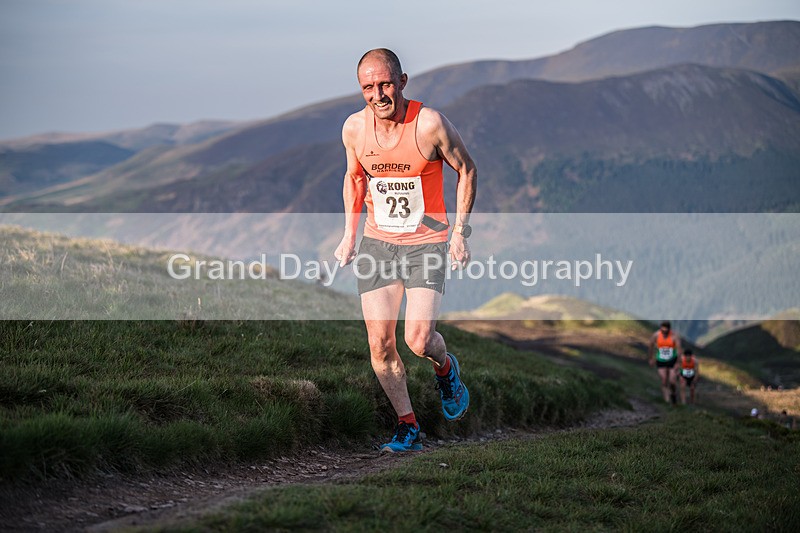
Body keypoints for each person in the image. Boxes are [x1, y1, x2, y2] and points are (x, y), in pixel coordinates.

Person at [334, 49, 477, 452]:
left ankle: (446, 370)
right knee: (379, 344)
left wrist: (461, 232)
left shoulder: (429, 124)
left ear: (402, 82)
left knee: (418, 339)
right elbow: (354, 178)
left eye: (384, 85)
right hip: (378, 243)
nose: (377, 94)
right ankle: (407, 424)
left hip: (426, 243)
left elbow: (466, 169)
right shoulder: (354, 129)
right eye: (368, 87)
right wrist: (349, 234)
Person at [648, 321, 682, 404]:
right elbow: (651, 345)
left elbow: (679, 350)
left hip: (672, 360)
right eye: (662, 331)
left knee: (672, 381)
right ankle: (667, 400)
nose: (664, 333)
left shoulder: (674, 336)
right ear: (660, 329)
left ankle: (673, 394)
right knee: (664, 380)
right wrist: (651, 358)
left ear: (669, 330)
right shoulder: (656, 335)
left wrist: (678, 363)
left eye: (666, 331)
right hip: (661, 360)